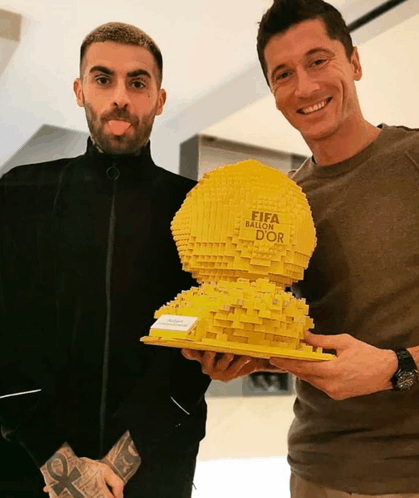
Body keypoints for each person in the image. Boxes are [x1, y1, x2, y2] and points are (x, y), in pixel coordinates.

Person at [182, 0, 419, 496]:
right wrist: (246, 354)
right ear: (272, 91)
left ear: (353, 62)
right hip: (316, 470)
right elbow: (294, 333)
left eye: (318, 60)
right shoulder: (284, 203)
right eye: (283, 74)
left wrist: (397, 367)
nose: (305, 87)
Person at [0, 22, 210, 498]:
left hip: (154, 469)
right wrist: (59, 465)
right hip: (29, 467)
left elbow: (195, 354)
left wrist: (120, 462)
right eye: (103, 79)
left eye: (138, 82)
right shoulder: (17, 192)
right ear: (80, 90)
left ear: (159, 98)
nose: (121, 97)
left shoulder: (197, 210)